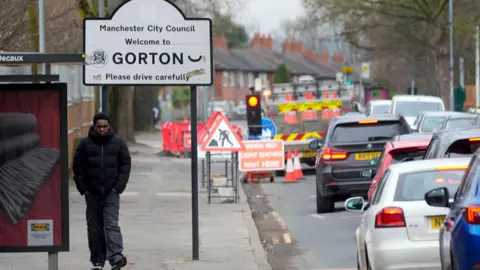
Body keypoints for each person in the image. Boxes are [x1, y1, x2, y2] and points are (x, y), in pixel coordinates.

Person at [73, 112, 131, 270]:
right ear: (94, 127)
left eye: (105, 126)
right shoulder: (85, 144)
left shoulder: (118, 143)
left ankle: (116, 256)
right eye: (99, 126)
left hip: (111, 192)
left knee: (111, 224)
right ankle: (98, 261)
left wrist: (119, 187)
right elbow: (78, 167)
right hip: (92, 193)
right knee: (94, 227)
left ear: (109, 126)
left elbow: (125, 164)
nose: (102, 129)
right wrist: (83, 188)